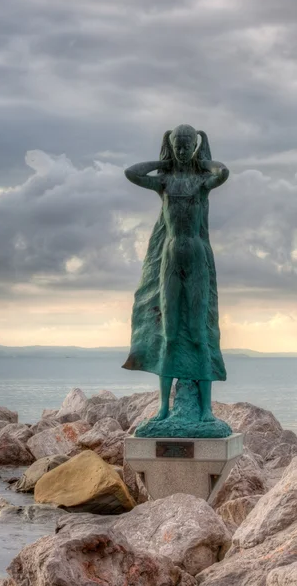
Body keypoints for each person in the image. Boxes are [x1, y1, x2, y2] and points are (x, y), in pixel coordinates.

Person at [122, 124, 229, 422]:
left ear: (193, 147)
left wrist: (201, 161)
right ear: (172, 147)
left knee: (198, 333)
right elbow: (132, 173)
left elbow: (223, 173)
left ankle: (206, 410)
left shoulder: (200, 182)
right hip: (169, 258)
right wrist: (164, 162)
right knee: (168, 334)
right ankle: (164, 408)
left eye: (187, 146)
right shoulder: (165, 182)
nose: (182, 150)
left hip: (195, 259)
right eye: (178, 146)